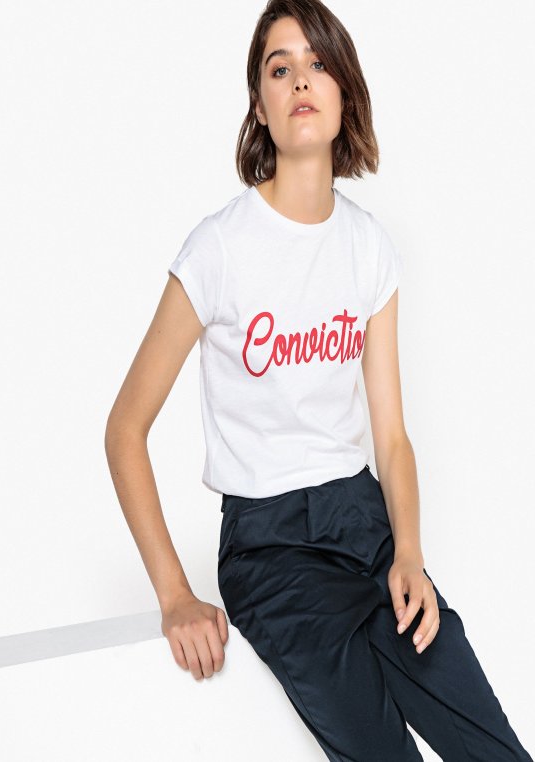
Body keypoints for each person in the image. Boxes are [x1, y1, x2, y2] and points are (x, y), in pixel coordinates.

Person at [105, 1, 533, 759]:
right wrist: (174, 594)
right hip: (269, 551)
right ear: (260, 106)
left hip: (365, 525)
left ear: (344, 93)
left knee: (493, 749)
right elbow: (125, 429)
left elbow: (392, 438)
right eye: (280, 68)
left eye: (318, 62)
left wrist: (408, 553)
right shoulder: (218, 251)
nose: (301, 79)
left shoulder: (368, 248)